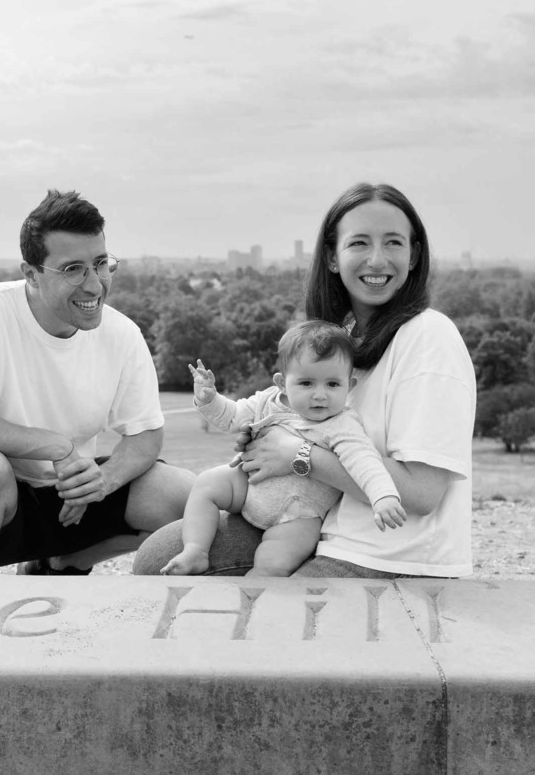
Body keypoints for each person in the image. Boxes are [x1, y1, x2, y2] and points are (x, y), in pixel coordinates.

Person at [134, 182, 476, 578]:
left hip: (388, 557)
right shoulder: (341, 341)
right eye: (359, 243)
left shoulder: (429, 336)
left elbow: (422, 493)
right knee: (159, 555)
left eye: (394, 243)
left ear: (414, 255)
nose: (377, 260)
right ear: (332, 257)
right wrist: (263, 442)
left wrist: (298, 456)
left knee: (262, 604)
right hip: (326, 527)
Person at [0, 189, 193, 576]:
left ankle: (60, 563)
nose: (95, 285)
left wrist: (103, 481)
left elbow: (145, 436)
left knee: (190, 500)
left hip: (70, 501)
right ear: (31, 273)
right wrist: (55, 446)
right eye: (73, 269)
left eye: (100, 264)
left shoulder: (122, 334)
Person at [160, 321, 403, 577]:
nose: (320, 395)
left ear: (349, 386)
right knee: (209, 482)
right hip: (247, 487)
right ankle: (196, 550)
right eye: (306, 383)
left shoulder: (342, 424)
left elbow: (364, 460)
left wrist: (383, 495)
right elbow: (231, 417)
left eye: (332, 384)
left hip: (298, 514)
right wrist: (208, 399)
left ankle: (257, 589)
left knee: (275, 561)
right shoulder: (267, 401)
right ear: (282, 383)